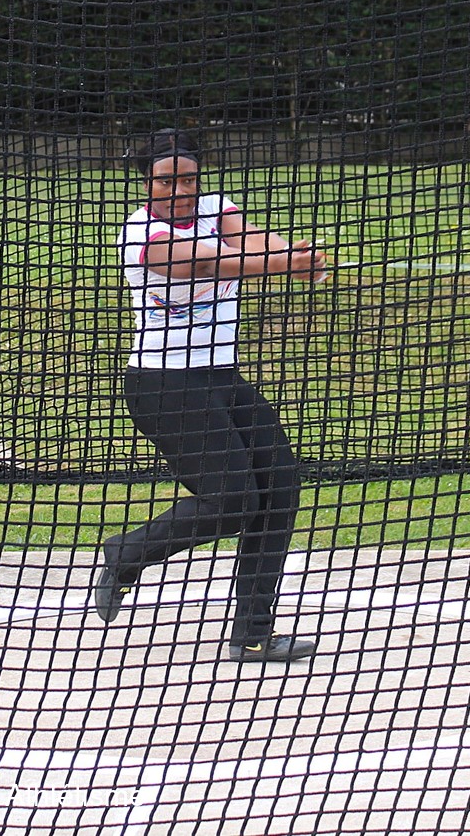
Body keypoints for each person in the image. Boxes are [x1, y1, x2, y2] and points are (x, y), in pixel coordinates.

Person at [93, 128, 328, 663]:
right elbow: (201, 264)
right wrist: (283, 265)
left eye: (189, 179)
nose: (180, 190)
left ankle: (252, 634)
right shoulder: (141, 232)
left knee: (279, 487)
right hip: (164, 385)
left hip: (221, 377)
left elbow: (250, 239)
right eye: (166, 181)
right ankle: (127, 554)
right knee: (233, 499)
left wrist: (294, 252)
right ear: (147, 182)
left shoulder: (216, 208)